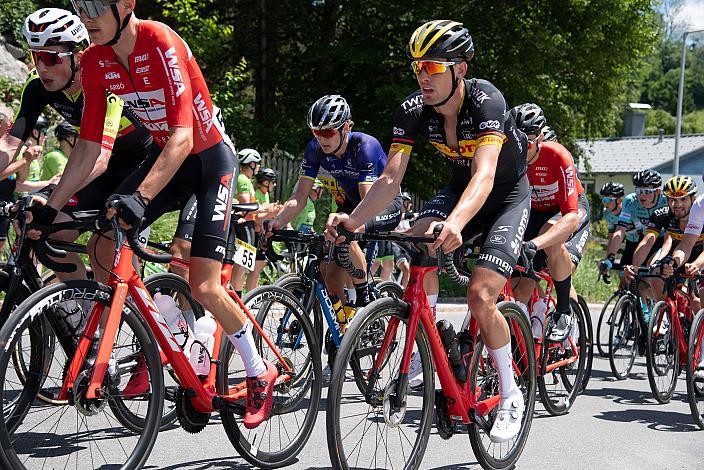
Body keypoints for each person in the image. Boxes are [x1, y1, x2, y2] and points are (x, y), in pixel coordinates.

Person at [33, 0, 275, 428]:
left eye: (92, 6)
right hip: (169, 159)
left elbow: (183, 136)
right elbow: (88, 146)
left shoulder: (158, 39)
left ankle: (259, 371)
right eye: (78, 6)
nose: (84, 16)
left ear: (124, 6)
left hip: (208, 160)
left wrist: (141, 198)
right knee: (103, 243)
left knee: (203, 283)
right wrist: (51, 209)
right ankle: (161, 337)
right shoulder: (94, 60)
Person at [326, 20, 529, 442]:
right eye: (418, 67)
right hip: (459, 189)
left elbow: (487, 173)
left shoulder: (486, 101)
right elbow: (389, 180)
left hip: (505, 195)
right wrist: (353, 222)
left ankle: (511, 393)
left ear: (460, 70)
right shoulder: (413, 111)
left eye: (433, 67)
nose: (423, 76)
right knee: (418, 239)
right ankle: (427, 334)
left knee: (479, 294)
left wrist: (456, 222)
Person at [269, 95, 403, 317]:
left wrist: (345, 224)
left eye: (328, 132)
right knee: (328, 274)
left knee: (347, 230)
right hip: (352, 207)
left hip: (382, 205)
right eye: (316, 132)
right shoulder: (315, 150)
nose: (322, 139)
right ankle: (344, 327)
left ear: (346, 127)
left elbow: (367, 203)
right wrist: (277, 221)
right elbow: (300, 195)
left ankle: (364, 301)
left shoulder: (365, 146)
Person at [511, 103, 590, 342]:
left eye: (528, 140)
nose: (521, 146)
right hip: (535, 211)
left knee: (552, 241)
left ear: (540, 138)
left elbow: (570, 215)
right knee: (519, 284)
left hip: (567, 209)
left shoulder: (558, 155)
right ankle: (524, 341)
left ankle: (565, 312)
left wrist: (536, 243)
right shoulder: (510, 156)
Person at [625, 176, 702, 312]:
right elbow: (647, 241)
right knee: (654, 275)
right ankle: (666, 314)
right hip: (680, 254)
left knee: (696, 299)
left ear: (693, 199)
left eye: (683, 199)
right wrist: (634, 265)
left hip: (700, 256)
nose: (677, 205)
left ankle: (695, 330)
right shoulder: (662, 214)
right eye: (672, 199)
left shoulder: (700, 213)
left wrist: (697, 264)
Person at [601, 170, 667, 279]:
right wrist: (610, 257)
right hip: (643, 239)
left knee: (652, 274)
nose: (641, 195)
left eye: (646, 191)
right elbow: (620, 230)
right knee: (629, 276)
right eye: (638, 190)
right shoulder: (630, 201)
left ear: (658, 192)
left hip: (662, 240)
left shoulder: (666, 201)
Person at [230, 148, 261, 297]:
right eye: (258, 163)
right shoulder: (243, 179)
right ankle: (236, 297)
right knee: (241, 264)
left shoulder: (245, 180)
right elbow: (245, 206)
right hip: (245, 225)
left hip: (247, 225)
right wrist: (266, 210)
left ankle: (237, 295)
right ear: (252, 163)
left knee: (243, 264)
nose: (259, 167)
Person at [246, 167, 280, 291]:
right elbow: (256, 217)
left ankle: (252, 293)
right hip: (255, 234)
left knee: (259, 266)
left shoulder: (264, 194)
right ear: (266, 182)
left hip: (260, 234)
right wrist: (271, 213)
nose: (274, 185)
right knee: (256, 266)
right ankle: (250, 294)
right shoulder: (258, 194)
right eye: (273, 182)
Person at [599, 182, 639, 288]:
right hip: (630, 242)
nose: (605, 203)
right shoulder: (607, 214)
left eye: (608, 200)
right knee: (622, 276)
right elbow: (612, 238)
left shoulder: (631, 211)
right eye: (603, 199)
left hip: (642, 241)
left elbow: (644, 232)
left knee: (640, 275)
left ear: (620, 200)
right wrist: (608, 260)